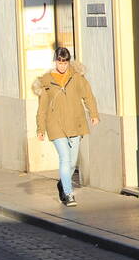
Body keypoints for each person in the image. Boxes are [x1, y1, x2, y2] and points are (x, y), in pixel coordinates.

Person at [34, 46, 98, 207]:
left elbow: (88, 96)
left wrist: (94, 114)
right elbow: (42, 108)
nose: (62, 65)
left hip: (75, 123)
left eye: (65, 62)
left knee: (72, 162)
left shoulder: (77, 78)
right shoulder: (46, 81)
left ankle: (63, 183)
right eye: (59, 62)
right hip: (55, 125)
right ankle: (69, 194)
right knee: (64, 158)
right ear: (55, 61)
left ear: (69, 62)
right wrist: (40, 129)